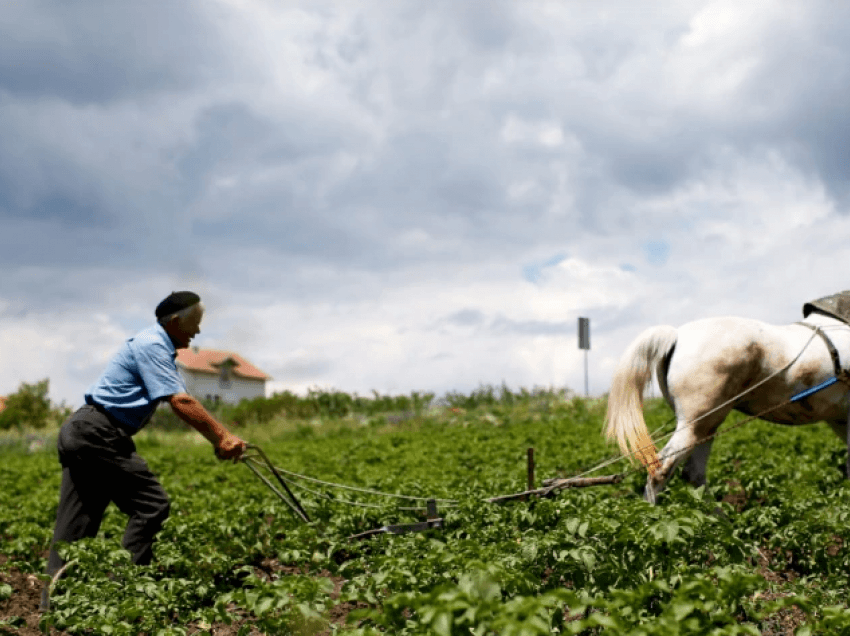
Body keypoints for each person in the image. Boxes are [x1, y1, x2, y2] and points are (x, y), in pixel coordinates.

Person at [42, 291, 247, 609]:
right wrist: (221, 437)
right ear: (176, 322)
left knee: (75, 527)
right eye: (194, 324)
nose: (197, 332)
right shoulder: (153, 344)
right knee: (152, 504)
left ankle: (54, 610)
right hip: (99, 434)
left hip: (83, 430)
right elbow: (180, 400)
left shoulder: (152, 344)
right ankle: (127, 591)